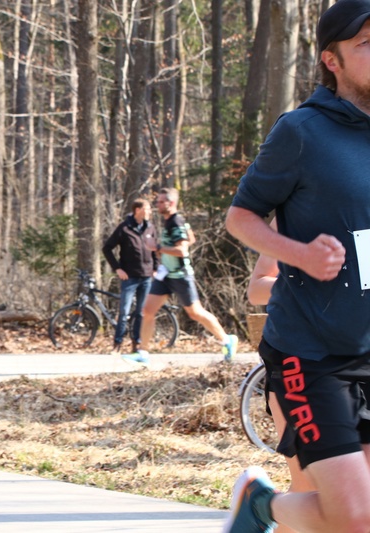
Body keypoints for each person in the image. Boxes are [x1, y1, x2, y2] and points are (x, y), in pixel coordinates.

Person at [222, 2, 370, 531]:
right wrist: (300, 254)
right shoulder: (303, 131)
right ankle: (260, 505)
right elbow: (240, 217)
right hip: (311, 353)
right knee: (356, 518)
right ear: (332, 60)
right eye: (366, 44)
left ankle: (261, 506)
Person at [246, 219, 315, 533]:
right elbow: (257, 287)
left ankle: (260, 506)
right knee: (308, 484)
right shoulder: (294, 215)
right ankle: (258, 506)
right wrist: (306, 282)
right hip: (298, 363)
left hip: (358, 363)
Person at [124, 187, 237, 365]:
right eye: (157, 201)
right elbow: (191, 238)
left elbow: (182, 250)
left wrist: (157, 248)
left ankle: (227, 339)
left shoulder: (176, 222)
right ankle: (143, 353)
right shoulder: (172, 221)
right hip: (166, 275)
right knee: (148, 310)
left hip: (180, 275)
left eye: (161, 202)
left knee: (195, 312)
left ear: (171, 203)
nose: (157, 204)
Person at [102, 198, 158, 355]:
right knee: (124, 312)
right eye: (147, 208)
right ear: (137, 210)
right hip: (129, 277)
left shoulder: (150, 228)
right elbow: (107, 248)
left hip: (146, 277)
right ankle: (117, 344)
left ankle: (136, 344)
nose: (150, 211)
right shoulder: (124, 228)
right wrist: (117, 268)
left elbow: (154, 250)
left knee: (141, 312)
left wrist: (155, 268)